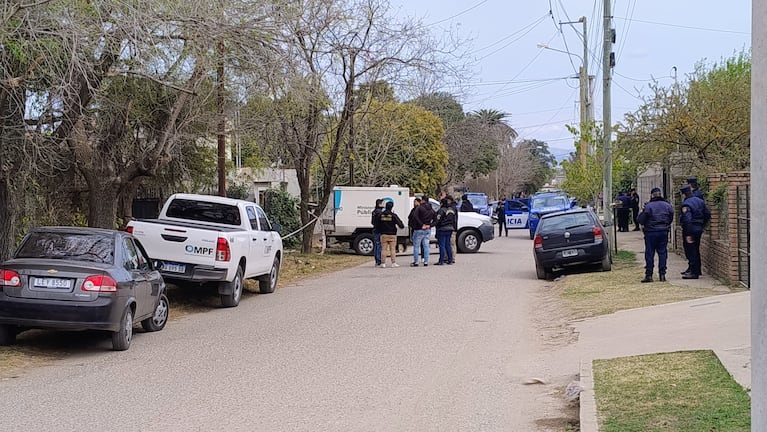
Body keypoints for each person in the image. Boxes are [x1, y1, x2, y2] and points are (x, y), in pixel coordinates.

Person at [636, 187, 674, 283]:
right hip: (663, 231)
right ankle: (662, 274)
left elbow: (641, 220)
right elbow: (670, 218)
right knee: (662, 253)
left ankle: (649, 275)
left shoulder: (648, 206)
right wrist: (665, 225)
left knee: (650, 253)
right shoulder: (667, 205)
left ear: (652, 195)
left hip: (651, 232)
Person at [679, 185, 711, 279]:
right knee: (696, 249)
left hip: (690, 229)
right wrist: (702, 224)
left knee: (690, 250)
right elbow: (707, 214)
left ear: (684, 194)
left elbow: (687, 219)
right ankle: (696, 269)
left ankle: (694, 272)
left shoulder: (686, 204)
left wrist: (688, 234)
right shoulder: (700, 201)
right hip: (698, 228)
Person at [377, 201, 404, 268]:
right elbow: (401, 225)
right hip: (392, 234)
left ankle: (383, 263)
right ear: (392, 207)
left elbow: (376, 224)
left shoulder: (381, 215)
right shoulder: (393, 215)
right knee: (392, 249)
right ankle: (393, 263)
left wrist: (380, 231)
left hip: (384, 234)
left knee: (384, 249)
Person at [411, 195, 435, 266]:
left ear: (422, 200)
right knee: (426, 245)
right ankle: (426, 261)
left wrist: (421, 224)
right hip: (428, 229)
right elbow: (436, 220)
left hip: (419, 229)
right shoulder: (431, 209)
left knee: (416, 246)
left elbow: (415, 216)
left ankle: (416, 262)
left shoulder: (419, 208)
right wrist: (430, 225)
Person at [434, 197, 456, 265]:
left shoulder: (441, 210)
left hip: (442, 229)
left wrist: (431, 225)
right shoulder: (451, 210)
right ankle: (450, 260)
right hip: (450, 228)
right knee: (448, 245)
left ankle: (441, 260)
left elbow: (438, 220)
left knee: (442, 245)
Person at [408, 197, 425, 262]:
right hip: (414, 228)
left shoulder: (420, 209)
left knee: (422, 244)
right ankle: (416, 258)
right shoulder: (413, 210)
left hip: (420, 228)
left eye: (415, 202)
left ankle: (423, 257)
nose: (414, 203)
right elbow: (409, 217)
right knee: (416, 244)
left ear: (419, 202)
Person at [371, 198, 384, 267]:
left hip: (375, 230)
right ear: (379, 204)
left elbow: (372, 222)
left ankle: (376, 260)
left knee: (376, 245)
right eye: (382, 203)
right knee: (379, 245)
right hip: (379, 231)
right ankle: (379, 260)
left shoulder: (374, 211)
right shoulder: (379, 212)